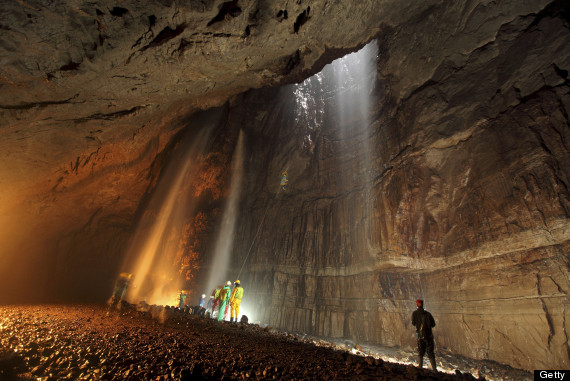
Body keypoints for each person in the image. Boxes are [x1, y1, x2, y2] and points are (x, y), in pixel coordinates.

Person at [411, 299, 437, 371]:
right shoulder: (428, 314)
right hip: (428, 336)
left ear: (417, 304)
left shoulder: (414, 314)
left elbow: (413, 323)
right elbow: (433, 324)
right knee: (430, 353)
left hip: (419, 336)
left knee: (420, 352)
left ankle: (420, 368)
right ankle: (435, 370)